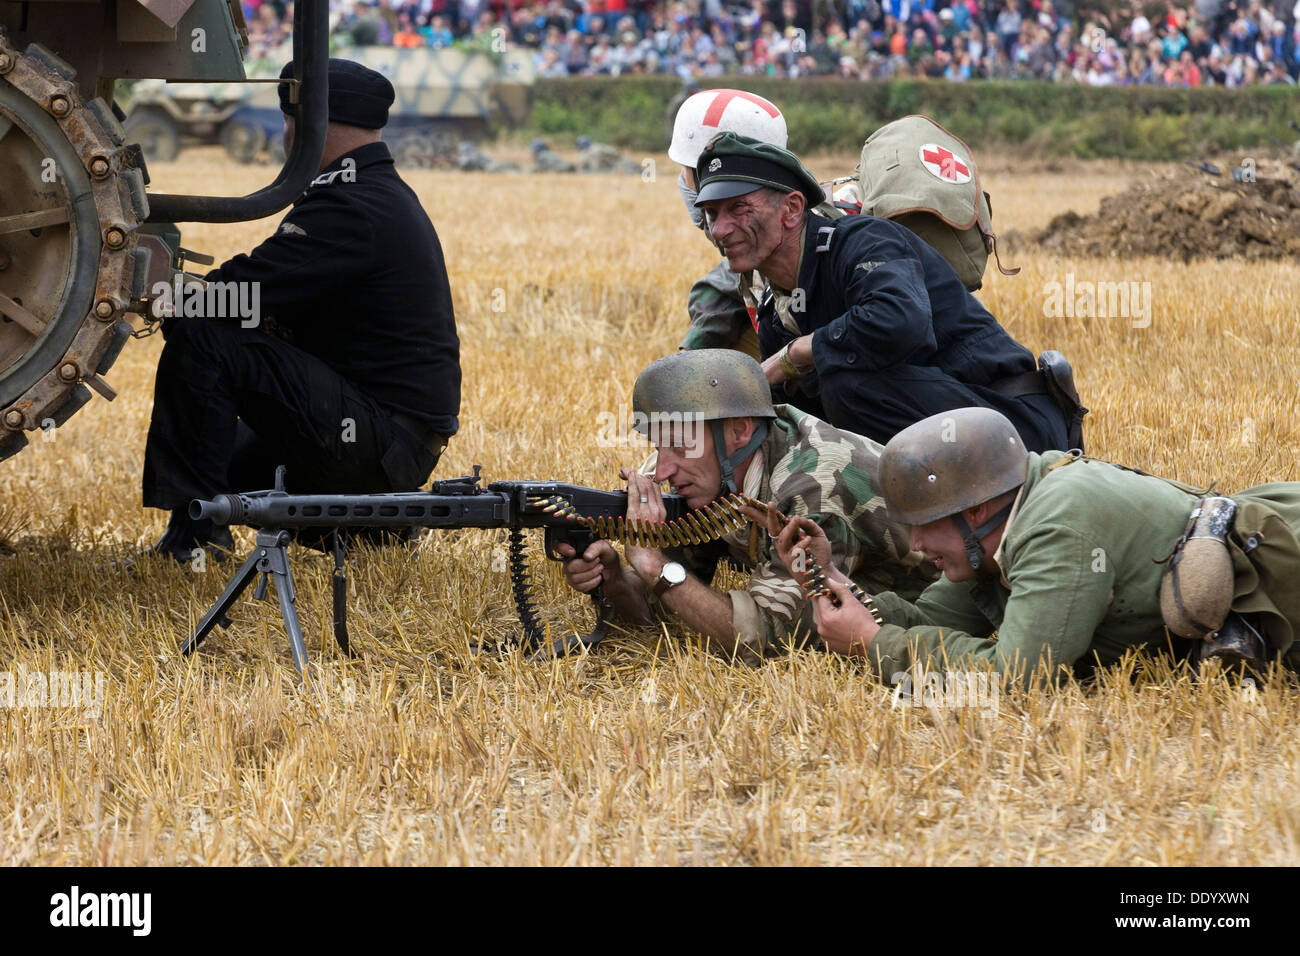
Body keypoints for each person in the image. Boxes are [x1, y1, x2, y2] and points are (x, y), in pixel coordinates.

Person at [140, 58, 461, 561]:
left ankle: (196, 544)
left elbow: (240, 294)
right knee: (209, 440)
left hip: (378, 444)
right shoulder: (371, 192)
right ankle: (369, 527)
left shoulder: (352, 206)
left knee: (204, 334)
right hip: (391, 443)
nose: (285, 137)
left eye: (290, 122)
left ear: (310, 125)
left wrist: (157, 290)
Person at [763, 406, 1300, 683]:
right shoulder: (993, 536)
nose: (917, 544)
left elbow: (1017, 678)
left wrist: (873, 646)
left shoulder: (1056, 526)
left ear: (975, 511)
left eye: (925, 525)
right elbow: (929, 620)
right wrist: (832, 582)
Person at [691, 132, 1079, 453]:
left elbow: (901, 322)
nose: (720, 229)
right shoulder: (776, 312)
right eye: (712, 214)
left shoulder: (863, 241)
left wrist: (799, 353)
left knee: (848, 385)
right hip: (957, 434)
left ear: (792, 209)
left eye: (738, 208)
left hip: (1016, 427)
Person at [557, 349, 937, 662]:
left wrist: (655, 565)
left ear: (739, 430)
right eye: (658, 446)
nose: (663, 469)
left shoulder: (811, 486)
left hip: (932, 597)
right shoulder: (708, 474)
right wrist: (615, 579)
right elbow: (657, 609)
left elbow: (765, 641)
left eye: (680, 445)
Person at [667, 88, 792, 357]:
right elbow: (726, 280)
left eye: (685, 171)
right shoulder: (769, 232)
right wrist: (692, 354)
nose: (681, 182)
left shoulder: (803, 251)